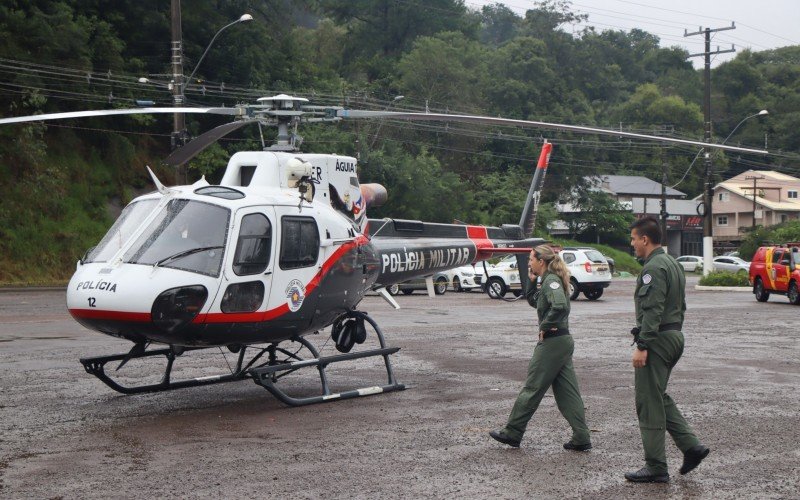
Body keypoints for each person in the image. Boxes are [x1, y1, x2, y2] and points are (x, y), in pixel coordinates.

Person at [625, 217, 710, 483]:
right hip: (674, 335)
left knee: (648, 401)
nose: (632, 244)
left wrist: (643, 344)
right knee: (658, 395)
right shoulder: (672, 263)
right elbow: (680, 306)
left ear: (645, 239)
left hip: (658, 338)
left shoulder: (653, 267)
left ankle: (655, 466)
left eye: (633, 239)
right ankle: (691, 446)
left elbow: (652, 309)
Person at [489, 245, 592, 451]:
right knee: (567, 393)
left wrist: (545, 325)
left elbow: (560, 306)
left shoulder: (551, 281)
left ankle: (513, 432)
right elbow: (535, 302)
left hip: (553, 343)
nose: (529, 262)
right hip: (562, 342)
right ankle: (581, 436)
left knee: (533, 387)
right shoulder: (546, 280)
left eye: (531, 259)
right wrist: (531, 280)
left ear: (541, 261)